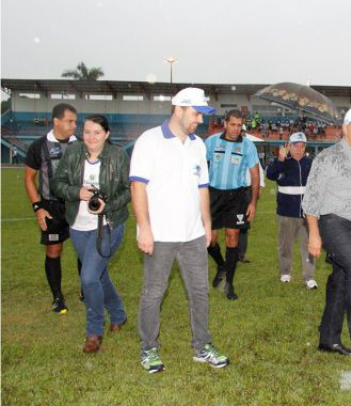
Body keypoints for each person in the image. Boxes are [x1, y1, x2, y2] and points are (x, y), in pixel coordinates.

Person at [131, 87, 229, 373]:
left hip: (193, 236)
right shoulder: (149, 141)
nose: (199, 119)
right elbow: (138, 186)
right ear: (179, 109)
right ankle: (148, 348)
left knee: (199, 292)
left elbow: (202, 188)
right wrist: (144, 228)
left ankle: (202, 346)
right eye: (196, 113)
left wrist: (207, 225)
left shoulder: (198, 145)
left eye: (201, 114)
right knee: (153, 293)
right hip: (160, 235)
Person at [302, 106, 351, 356]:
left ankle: (328, 338)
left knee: (342, 280)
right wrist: (314, 233)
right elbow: (311, 199)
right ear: (345, 128)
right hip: (333, 223)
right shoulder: (328, 157)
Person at [50, 115, 129, 353]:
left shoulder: (118, 156)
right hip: (78, 225)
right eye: (86, 132)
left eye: (96, 132)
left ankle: (94, 331)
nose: (91, 137)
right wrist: (76, 191)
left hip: (109, 224)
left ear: (106, 134)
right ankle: (118, 314)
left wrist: (109, 204)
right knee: (98, 275)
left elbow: (128, 190)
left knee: (88, 278)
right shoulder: (73, 153)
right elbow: (57, 183)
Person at [24, 103, 82, 314]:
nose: (74, 125)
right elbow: (29, 179)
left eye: (76, 121)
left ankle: (86, 289)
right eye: (70, 121)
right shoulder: (39, 146)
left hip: (79, 205)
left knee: (84, 249)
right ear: (56, 121)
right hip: (51, 206)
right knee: (54, 249)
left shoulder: (82, 144)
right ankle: (57, 297)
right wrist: (38, 208)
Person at [205, 109, 260, 300]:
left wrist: (253, 202)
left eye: (239, 125)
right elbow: (201, 168)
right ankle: (221, 265)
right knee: (209, 240)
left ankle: (229, 282)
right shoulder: (211, 142)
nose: (236, 129)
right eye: (233, 124)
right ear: (225, 124)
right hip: (213, 195)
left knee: (232, 237)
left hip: (236, 196)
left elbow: (254, 174)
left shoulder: (248, 146)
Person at [266, 132, 316, 289]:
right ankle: (285, 272)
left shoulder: (310, 163)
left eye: (302, 146)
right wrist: (280, 159)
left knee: (308, 246)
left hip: (307, 213)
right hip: (286, 212)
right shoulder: (282, 161)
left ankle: (309, 277)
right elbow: (271, 175)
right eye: (295, 145)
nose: (299, 149)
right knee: (285, 245)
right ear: (289, 145)